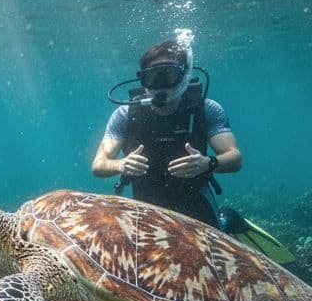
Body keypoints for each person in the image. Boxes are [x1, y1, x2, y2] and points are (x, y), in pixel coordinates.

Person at [91, 39, 241, 226]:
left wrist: (208, 163)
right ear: (143, 80)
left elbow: (235, 158)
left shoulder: (205, 109)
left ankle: (227, 221)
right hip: (147, 205)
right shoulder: (125, 114)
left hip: (196, 201)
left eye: (169, 74)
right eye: (153, 76)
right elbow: (98, 164)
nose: (160, 84)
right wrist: (120, 165)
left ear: (184, 76)